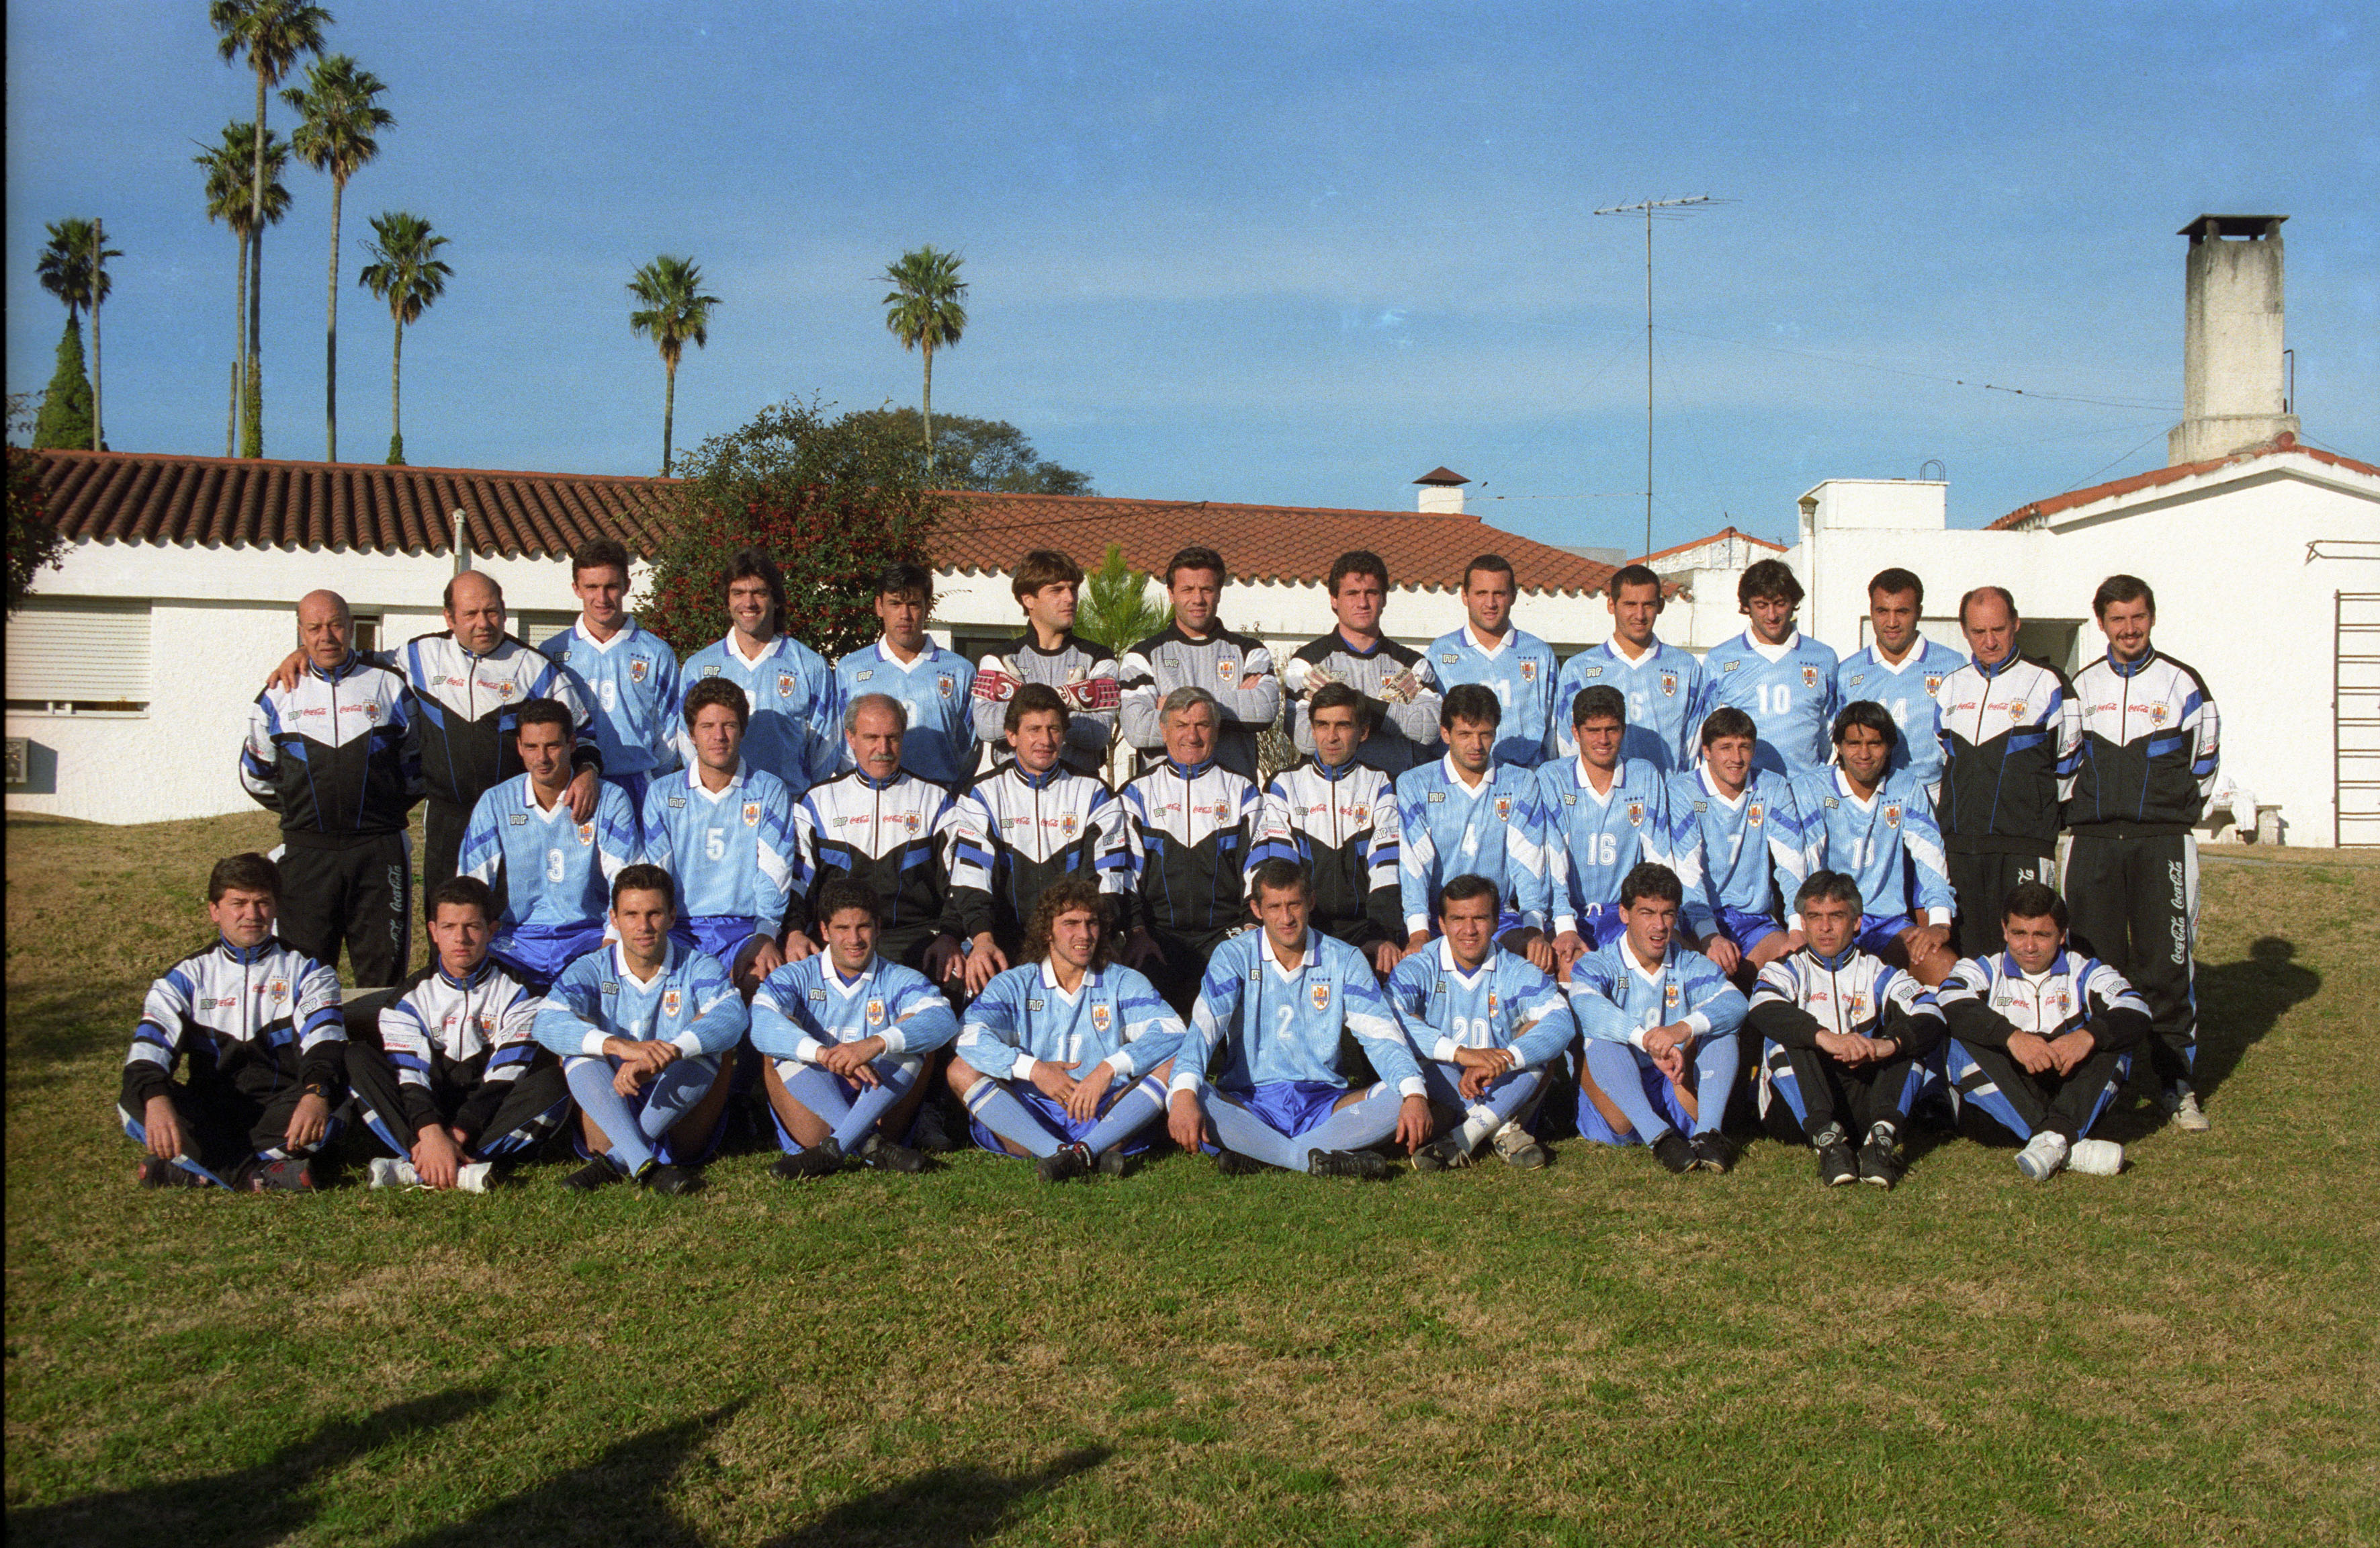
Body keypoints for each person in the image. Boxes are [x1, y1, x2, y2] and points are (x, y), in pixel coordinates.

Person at [263, 570, 604, 902]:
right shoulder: (419, 656)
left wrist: (587, 771)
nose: (483, 623)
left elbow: (583, 733)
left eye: (492, 612)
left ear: (503, 611)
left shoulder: (534, 667)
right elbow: (352, 662)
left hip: (511, 815)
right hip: (446, 817)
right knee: (446, 919)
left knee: (508, 918)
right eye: (470, 614)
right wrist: (304, 653)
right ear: (449, 617)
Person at [2063, 574, 2221, 1133]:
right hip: (2096, 843)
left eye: (2137, 617)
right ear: (2100, 622)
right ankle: (2108, 1080)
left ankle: (2176, 1082)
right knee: (2095, 962)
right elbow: (2064, 766)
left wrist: (2164, 812)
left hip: (2162, 843)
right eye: (2117, 619)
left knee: (2166, 964)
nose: (2128, 629)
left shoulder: (2182, 684)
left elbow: (2204, 763)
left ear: (2150, 617)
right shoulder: (2079, 686)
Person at [1169, 859, 1432, 1178]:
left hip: (1324, 1104)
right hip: (1250, 1102)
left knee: (1401, 1093)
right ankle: (1315, 1157)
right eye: (1275, 906)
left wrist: (1415, 1095)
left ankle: (1262, 1154)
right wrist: (1183, 1094)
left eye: (1294, 904)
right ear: (1256, 909)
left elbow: (1381, 1035)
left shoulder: (1344, 958)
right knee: (1186, 1088)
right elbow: (1204, 1029)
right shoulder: (1233, 955)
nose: (1286, 918)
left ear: (1311, 902)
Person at [118, 853, 345, 1192]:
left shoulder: (309, 970)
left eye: (262, 903)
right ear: (214, 910)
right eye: (238, 903)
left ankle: (195, 1169)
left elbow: (324, 1042)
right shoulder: (185, 978)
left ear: (276, 907)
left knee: (337, 1097)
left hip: (283, 1111)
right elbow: (148, 1049)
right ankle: (255, 1175)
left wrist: (315, 1094)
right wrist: (156, 1097)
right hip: (211, 1114)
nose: (252, 915)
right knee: (134, 1097)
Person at [238, 588, 420, 988]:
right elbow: (256, 773)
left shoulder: (388, 686)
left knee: (383, 980)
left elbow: (417, 765)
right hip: (307, 854)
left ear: (353, 627)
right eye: (315, 627)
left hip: (378, 851)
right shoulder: (278, 694)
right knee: (302, 977)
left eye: (337, 624)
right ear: (301, 633)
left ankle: (376, 1051)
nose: (327, 636)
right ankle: (312, 1052)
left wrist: (381, 808)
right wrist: (305, 809)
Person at [949, 876, 1188, 1181]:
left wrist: (1107, 1069)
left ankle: (1081, 1150)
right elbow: (967, 1036)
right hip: (1033, 1114)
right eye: (1071, 923)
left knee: (1173, 1063)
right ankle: (1070, 1153)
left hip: (1103, 1113)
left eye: (1092, 923)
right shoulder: (1014, 983)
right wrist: (1034, 1070)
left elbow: (1172, 1031)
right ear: (1047, 931)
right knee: (960, 1070)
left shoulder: (1122, 981)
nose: (1084, 934)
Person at [343, 876, 573, 1191]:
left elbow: (503, 1079)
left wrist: (457, 1135)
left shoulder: (522, 994)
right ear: (433, 931)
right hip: (425, 1111)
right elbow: (411, 1078)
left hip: (488, 1114)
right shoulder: (405, 1000)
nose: (461, 938)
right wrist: (431, 1132)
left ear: (492, 931)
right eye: (449, 927)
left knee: (557, 1083)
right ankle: (451, 1165)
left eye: (472, 927)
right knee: (355, 1057)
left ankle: (425, 1165)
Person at [531, 865, 746, 1194]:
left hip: (680, 1104)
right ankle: (646, 1166)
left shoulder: (698, 965)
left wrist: (667, 1054)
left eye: (654, 913)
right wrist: (618, 1046)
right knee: (576, 1041)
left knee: (710, 1039)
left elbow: (734, 1017)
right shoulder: (591, 967)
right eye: (631, 915)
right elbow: (545, 1022)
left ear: (673, 916)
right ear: (614, 920)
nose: (643, 927)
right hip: (614, 1093)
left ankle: (621, 1160)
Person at [1745, 871, 1945, 1189]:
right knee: (1784, 1031)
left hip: (1860, 1104)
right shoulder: (1785, 969)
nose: (1825, 927)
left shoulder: (1878, 971)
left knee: (1910, 1039)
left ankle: (1880, 1142)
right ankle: (1827, 1143)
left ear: (1856, 922)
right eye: (1815, 917)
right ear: (1803, 922)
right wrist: (1828, 1039)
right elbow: (1762, 1008)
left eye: (1836, 916)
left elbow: (1931, 1013)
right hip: (1795, 1112)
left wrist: (1887, 1046)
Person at [1935, 881, 2146, 1182]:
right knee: (1961, 1042)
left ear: (2062, 935)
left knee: (2116, 1042)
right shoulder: (1982, 968)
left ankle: (2049, 1140)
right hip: (2005, 1097)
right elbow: (1949, 998)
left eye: (2042, 935)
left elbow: (2137, 1009)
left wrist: (2087, 1036)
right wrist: (2012, 1037)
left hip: (2067, 1089)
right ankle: (2061, 1142)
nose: (2029, 946)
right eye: (2019, 933)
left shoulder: (2087, 970)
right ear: (2005, 930)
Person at [748, 879, 959, 1178]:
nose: (854, 939)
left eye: (863, 927)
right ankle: (870, 1146)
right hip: (814, 1106)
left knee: (913, 1034)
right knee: (781, 1037)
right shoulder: (794, 976)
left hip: (877, 1099)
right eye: (842, 929)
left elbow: (943, 1021)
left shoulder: (899, 977)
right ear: (824, 931)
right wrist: (824, 1055)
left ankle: (833, 1150)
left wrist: (873, 1045)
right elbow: (761, 1024)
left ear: (879, 927)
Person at [945, 685, 1131, 996]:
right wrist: (982, 939)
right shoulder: (981, 795)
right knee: (955, 986)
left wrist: (1078, 943)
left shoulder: (1094, 793)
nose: (1045, 741)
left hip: (1074, 942)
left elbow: (1108, 882)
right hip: (1002, 941)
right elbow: (971, 878)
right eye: (1034, 729)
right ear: (1012, 735)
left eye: (1054, 729)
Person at [1564, 862, 1749, 1174]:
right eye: (1647, 913)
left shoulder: (1689, 962)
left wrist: (1681, 1029)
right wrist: (1646, 1040)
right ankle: (1659, 1137)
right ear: (1624, 914)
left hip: (1671, 1079)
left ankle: (1708, 1135)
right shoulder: (1599, 963)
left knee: (1722, 1026)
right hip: (1617, 1085)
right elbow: (1586, 1005)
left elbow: (1735, 1002)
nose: (1659, 926)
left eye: (1667, 914)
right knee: (1600, 1033)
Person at [1385, 875, 1576, 1172]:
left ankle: (1463, 1137)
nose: (1470, 930)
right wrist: (1461, 1054)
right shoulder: (1419, 966)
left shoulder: (1516, 969)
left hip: (1503, 1084)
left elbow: (1561, 1021)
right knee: (1418, 1051)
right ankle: (1501, 1131)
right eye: (1459, 918)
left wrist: (1503, 1060)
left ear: (1497, 921)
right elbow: (1390, 1018)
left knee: (1539, 1051)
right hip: (1444, 1086)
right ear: (1443, 923)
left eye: (1480, 918)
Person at [1935, 585, 2080, 959]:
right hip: (1962, 847)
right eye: (1979, 632)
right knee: (1969, 956)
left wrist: (2039, 817)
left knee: (2029, 952)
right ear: (1965, 631)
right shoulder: (1952, 686)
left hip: (2023, 845)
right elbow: (1947, 762)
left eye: (1998, 629)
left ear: (2015, 624)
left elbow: (2070, 765)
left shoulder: (2047, 683)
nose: (1989, 641)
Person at [457, 697, 639, 990]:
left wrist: (612, 942)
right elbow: (470, 886)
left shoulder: (610, 799)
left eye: (552, 746)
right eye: (531, 747)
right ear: (519, 747)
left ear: (571, 745)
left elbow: (629, 883)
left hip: (587, 937)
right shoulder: (496, 801)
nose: (542, 758)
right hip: (517, 941)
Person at [639, 679, 801, 992]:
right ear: (690, 734)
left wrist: (766, 934)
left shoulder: (768, 789)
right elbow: (657, 875)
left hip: (745, 930)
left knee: (765, 990)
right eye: (707, 726)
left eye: (729, 725)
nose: (719, 736)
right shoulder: (662, 793)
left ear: (742, 730)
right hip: (680, 928)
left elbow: (775, 870)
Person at [788, 693, 965, 977]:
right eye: (871, 737)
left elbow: (961, 882)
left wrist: (950, 935)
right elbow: (797, 884)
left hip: (915, 938)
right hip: (843, 939)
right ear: (851, 737)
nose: (883, 748)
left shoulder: (936, 801)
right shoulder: (817, 802)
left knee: (955, 975)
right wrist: (795, 931)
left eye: (892, 737)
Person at [1788, 701, 1957, 986]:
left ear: (1889, 746)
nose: (1864, 754)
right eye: (1854, 743)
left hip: (1887, 924)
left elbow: (1930, 857)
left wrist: (1940, 923)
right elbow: (1803, 865)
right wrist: (1801, 924)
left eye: (1874, 743)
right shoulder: (1811, 787)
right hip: (1831, 920)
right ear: (1839, 747)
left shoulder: (1905, 787)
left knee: (1945, 967)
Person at [1118, 687, 1264, 1012]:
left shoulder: (1243, 791)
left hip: (1225, 934)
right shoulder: (1136, 794)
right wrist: (1137, 931)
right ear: (1163, 729)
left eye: (1202, 725)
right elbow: (1124, 872)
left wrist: (1252, 927)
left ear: (1217, 730)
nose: (1192, 736)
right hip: (1157, 937)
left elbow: (1259, 868)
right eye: (1182, 725)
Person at [1395, 684, 1554, 970]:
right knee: (1420, 966)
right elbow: (1414, 866)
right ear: (1446, 734)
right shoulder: (1415, 783)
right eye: (1465, 735)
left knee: (1535, 957)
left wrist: (1533, 928)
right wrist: (1418, 932)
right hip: (1438, 919)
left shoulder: (1520, 783)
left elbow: (1528, 863)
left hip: (1499, 919)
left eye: (1485, 734)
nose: (1477, 745)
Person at [1253, 682, 1405, 976]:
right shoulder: (1284, 784)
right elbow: (1281, 869)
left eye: (1343, 725)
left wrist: (1382, 933)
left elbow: (1386, 865)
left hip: (1365, 928)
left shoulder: (1382, 783)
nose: (1331, 737)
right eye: (1322, 725)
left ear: (1362, 732)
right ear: (1311, 729)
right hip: (1304, 927)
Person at [678, 548, 839, 799]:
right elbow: (688, 743)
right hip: (722, 806)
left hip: (789, 804)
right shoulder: (698, 667)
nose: (749, 603)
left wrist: (802, 799)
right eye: (738, 593)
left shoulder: (810, 666)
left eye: (759, 593)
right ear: (727, 600)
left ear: (775, 599)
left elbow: (825, 748)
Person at [540, 538, 683, 819]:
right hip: (572, 787)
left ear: (627, 587)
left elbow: (670, 731)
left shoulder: (656, 652)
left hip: (637, 786)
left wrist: (652, 779)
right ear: (576, 589)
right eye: (592, 587)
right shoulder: (553, 652)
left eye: (611, 586)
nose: (602, 598)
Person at [1539, 685, 1675, 977]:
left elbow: (1659, 857)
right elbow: (1553, 860)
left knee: (1647, 968)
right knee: (1570, 969)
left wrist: (1651, 916)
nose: (1603, 739)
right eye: (1593, 730)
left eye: (1612, 729)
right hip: (1570, 912)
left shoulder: (1644, 775)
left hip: (1624, 913)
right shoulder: (1552, 777)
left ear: (1623, 730)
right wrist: (1565, 926)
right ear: (1575, 731)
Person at [1665, 707, 1809, 984]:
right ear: (1706, 751)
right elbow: (1688, 869)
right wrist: (1709, 934)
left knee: (1793, 964)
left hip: (1753, 919)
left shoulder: (1772, 786)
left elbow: (1791, 861)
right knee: (1710, 978)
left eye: (1744, 747)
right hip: (1697, 920)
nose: (1737, 758)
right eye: (1726, 747)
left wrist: (1796, 926)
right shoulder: (1682, 790)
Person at [1117, 546, 1280, 781]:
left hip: (1233, 795)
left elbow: (1263, 711)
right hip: (1163, 800)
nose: (1198, 599)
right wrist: (1234, 703)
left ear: (1219, 593)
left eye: (1207, 589)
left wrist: (1173, 706)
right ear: (1171, 594)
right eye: (1187, 589)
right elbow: (1138, 730)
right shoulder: (1142, 656)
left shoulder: (1250, 651)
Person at [1284, 550, 1442, 775]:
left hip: (1395, 791)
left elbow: (1429, 729)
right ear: (1334, 600)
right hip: (1331, 793)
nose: (1363, 602)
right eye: (1352, 593)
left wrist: (1352, 708)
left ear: (1384, 598)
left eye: (1371, 593)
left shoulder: (1413, 663)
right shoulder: (1307, 662)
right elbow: (1305, 739)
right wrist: (1393, 713)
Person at [971, 548, 1118, 777]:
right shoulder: (999, 658)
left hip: (1079, 785)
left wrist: (1020, 701)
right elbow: (986, 726)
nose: (1070, 598)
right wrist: (1070, 697)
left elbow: (1098, 734)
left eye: (1073, 589)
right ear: (1028, 599)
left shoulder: (1099, 658)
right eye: (1056, 591)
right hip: (1014, 789)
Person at [1550, 564, 1704, 772]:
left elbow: (1693, 746)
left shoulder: (1686, 668)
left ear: (1660, 606)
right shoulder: (1578, 669)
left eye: (1648, 605)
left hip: (1665, 795)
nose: (1639, 615)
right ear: (1611, 605)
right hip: (1603, 797)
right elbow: (1568, 746)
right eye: (1630, 604)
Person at [1693, 558, 1839, 777]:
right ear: (1746, 606)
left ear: (1793, 602)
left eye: (1780, 603)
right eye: (1762, 605)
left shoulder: (1823, 657)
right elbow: (1705, 734)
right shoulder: (1720, 659)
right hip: (1747, 793)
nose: (1772, 615)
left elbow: (1829, 732)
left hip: (1804, 790)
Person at [834, 562, 977, 785]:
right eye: (895, 603)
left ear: (927, 607)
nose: (905, 615)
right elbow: (841, 743)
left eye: (913, 604)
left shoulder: (960, 670)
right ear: (879, 606)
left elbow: (969, 748)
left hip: (937, 799)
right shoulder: (851, 668)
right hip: (872, 799)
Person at [1834, 568, 1964, 803]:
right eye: (1882, 611)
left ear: (1919, 612)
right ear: (1871, 611)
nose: (1892, 622)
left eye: (1902, 611)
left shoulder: (1952, 666)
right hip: (1869, 797)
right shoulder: (1848, 671)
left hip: (1933, 795)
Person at [1427, 554, 1560, 769]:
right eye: (1481, 593)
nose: (1491, 603)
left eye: (1499, 593)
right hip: (1462, 783)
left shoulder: (1539, 653)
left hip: (1525, 781)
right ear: (1465, 596)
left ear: (1514, 596)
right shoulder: (1440, 652)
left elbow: (1554, 731)